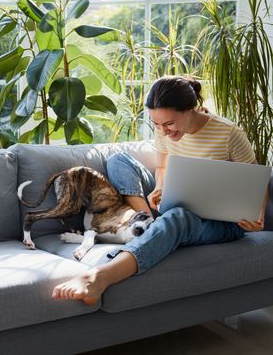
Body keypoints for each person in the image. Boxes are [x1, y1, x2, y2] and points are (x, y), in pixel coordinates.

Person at [52, 76, 268, 306]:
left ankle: (100, 276)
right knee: (118, 160)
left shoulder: (228, 133)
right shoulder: (164, 130)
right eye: (157, 125)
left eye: (170, 124)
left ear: (190, 109)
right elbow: (163, 166)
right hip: (176, 202)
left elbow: (256, 179)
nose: (164, 132)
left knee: (179, 217)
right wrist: (160, 187)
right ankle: (152, 223)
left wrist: (258, 215)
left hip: (218, 222)